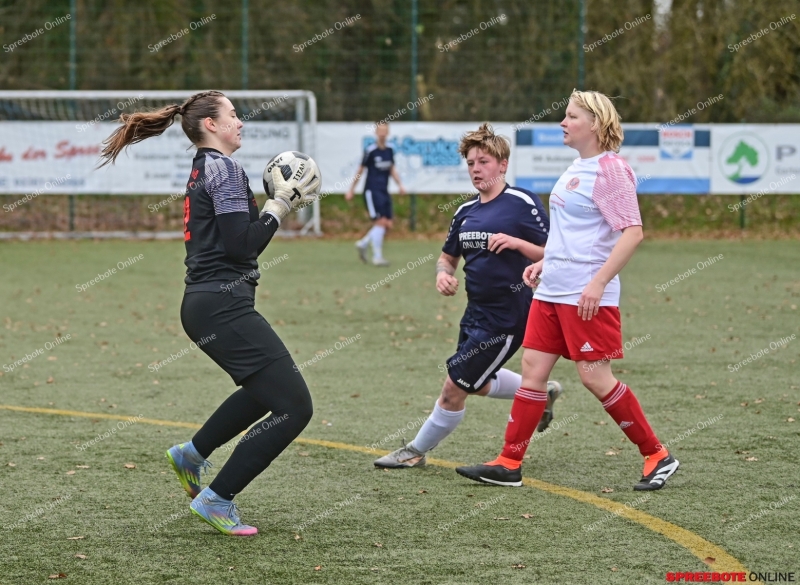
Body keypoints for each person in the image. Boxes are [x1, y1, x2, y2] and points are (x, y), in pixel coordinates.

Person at [99, 90, 320, 535]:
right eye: (233, 115)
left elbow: (235, 243)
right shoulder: (223, 169)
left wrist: (278, 205)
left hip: (210, 304)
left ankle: (191, 455)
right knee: (295, 407)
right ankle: (218, 499)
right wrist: (280, 204)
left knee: (265, 392)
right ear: (211, 125)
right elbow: (243, 245)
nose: (241, 122)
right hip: (220, 305)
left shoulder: (207, 167)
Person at [456, 91, 679, 491]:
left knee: (595, 378)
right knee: (533, 372)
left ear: (594, 123)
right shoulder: (577, 167)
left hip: (585, 297)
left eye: (571, 116)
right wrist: (544, 263)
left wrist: (597, 284)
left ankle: (657, 455)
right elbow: (568, 234)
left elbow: (632, 233)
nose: (562, 121)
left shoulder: (610, 169)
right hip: (552, 292)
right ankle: (509, 463)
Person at [374, 123, 563, 469]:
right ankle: (541, 391)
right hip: (475, 313)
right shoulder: (465, 212)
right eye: (471, 163)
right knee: (477, 382)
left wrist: (519, 244)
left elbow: (556, 253)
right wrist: (443, 274)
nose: (476, 169)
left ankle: (414, 453)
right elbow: (447, 257)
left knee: (454, 387)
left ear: (503, 165)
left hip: (509, 315)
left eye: (484, 162)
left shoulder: (522, 203)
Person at [345, 122, 406, 266]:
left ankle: (364, 243)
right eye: (380, 131)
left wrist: (400, 185)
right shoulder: (370, 150)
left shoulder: (390, 150)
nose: (383, 134)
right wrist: (351, 189)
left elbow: (392, 169)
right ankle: (377, 257)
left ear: (388, 133)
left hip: (384, 191)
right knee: (380, 222)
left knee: (388, 224)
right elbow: (360, 170)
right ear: (376, 133)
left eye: (385, 131)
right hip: (372, 191)